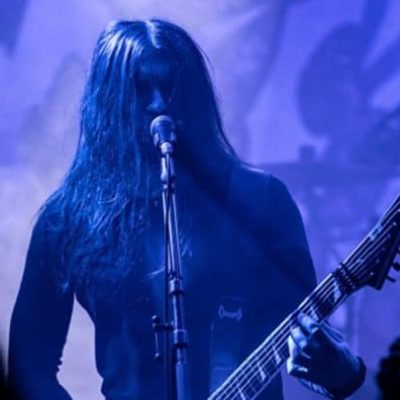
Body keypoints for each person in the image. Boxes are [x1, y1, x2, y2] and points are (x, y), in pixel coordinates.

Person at [8, 19, 365, 399]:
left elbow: (308, 344)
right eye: (141, 88)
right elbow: (29, 368)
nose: (159, 103)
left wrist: (341, 372)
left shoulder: (260, 200)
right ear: (109, 101)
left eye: (172, 86)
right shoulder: (67, 220)